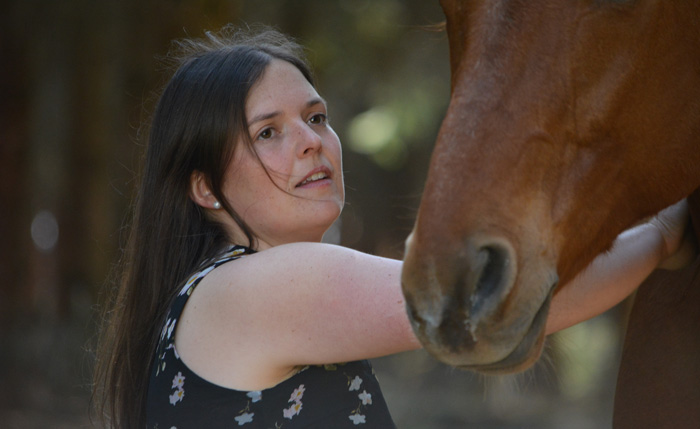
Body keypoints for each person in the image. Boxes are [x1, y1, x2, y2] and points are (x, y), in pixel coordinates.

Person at [92, 25, 693, 428]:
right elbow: (485, 304)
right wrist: (670, 227)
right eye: (267, 132)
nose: (310, 143)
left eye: (315, 116)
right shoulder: (266, 286)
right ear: (204, 187)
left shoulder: (215, 294)